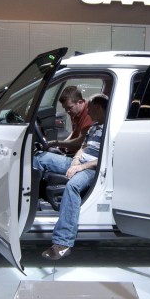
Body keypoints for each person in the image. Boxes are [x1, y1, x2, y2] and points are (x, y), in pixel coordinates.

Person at [38, 94, 108, 260]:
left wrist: (81, 167)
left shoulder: (110, 129)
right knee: (41, 157)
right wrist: (76, 160)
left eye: (90, 109)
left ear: (98, 107)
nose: (88, 113)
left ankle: (63, 242)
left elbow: (106, 158)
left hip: (92, 169)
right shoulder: (94, 126)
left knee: (73, 186)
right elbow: (83, 147)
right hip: (79, 163)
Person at [46, 86, 93, 156]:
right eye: (65, 108)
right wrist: (63, 143)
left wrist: (56, 143)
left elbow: (80, 142)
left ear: (80, 102)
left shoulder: (90, 114)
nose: (67, 111)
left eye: (69, 107)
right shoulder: (75, 112)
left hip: (79, 155)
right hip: (70, 151)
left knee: (40, 159)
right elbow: (75, 131)